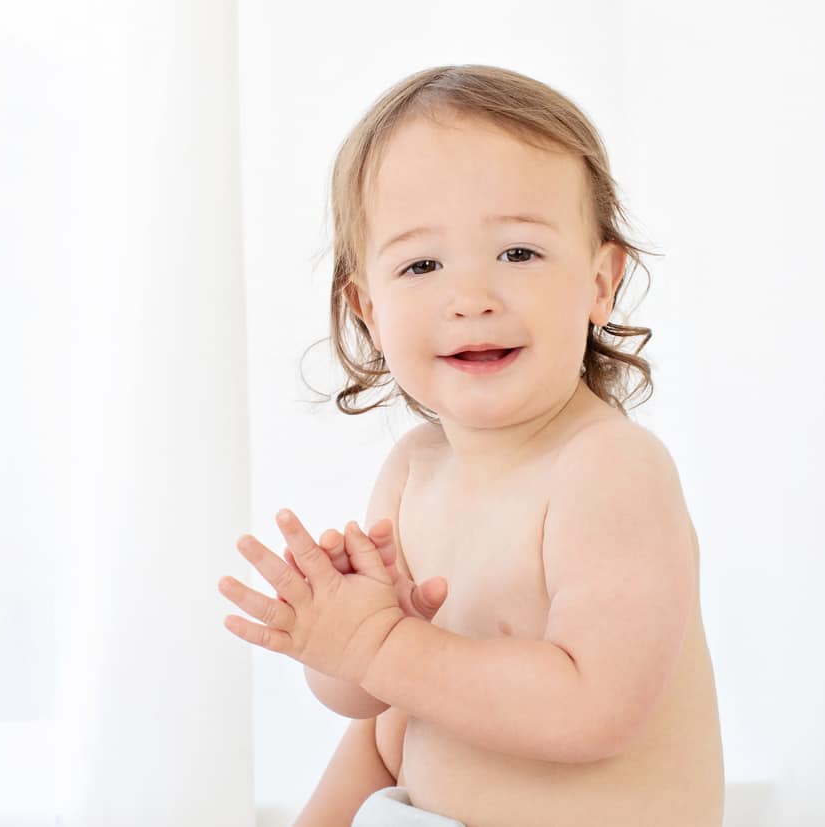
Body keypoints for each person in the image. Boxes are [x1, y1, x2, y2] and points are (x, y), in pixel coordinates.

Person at [218, 63, 724, 827]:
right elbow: (374, 696)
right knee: (383, 728)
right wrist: (338, 639)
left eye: (518, 253)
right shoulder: (414, 469)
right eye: (421, 265)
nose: (471, 297)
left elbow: (593, 707)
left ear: (599, 280)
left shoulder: (610, 470)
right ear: (369, 309)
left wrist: (384, 644)